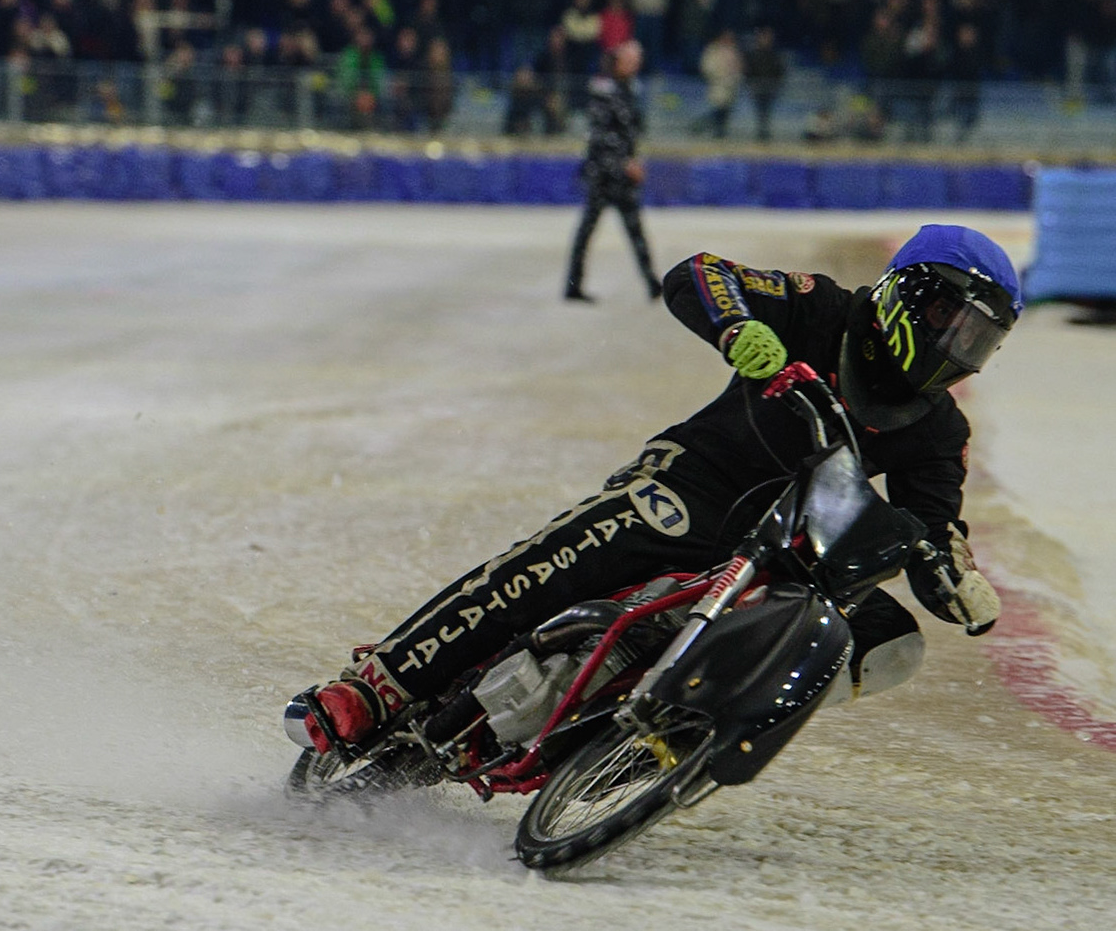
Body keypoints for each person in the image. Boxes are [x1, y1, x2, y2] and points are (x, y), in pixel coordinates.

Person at [301, 225, 1021, 753]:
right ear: (907, 295)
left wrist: (950, 576)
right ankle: (381, 683)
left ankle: (669, 751)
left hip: (787, 556)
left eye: (978, 339)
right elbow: (701, 273)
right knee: (565, 557)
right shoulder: (823, 310)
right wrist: (737, 328)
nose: (959, 349)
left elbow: (930, 522)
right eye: (950, 323)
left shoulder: (937, 429)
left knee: (885, 641)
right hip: (697, 483)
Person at [562, 40, 661, 303]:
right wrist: (624, 163)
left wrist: (631, 161)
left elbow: (627, 133)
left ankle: (652, 283)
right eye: (630, 59)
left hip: (621, 176)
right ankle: (573, 285)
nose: (635, 64)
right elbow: (600, 137)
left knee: (634, 231)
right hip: (603, 176)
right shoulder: (604, 91)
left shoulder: (629, 90)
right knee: (588, 232)